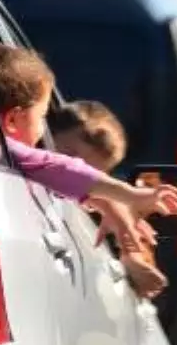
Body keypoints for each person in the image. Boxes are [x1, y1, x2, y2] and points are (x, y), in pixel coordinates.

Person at [0, 11, 177, 247]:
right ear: (12, 120)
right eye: (42, 117)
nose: (44, 129)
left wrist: (105, 202)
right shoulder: (7, 151)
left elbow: (65, 177)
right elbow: (63, 170)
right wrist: (130, 195)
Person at [50, 100, 168, 299]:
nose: (75, 173)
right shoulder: (27, 159)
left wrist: (132, 255)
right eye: (70, 158)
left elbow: (108, 200)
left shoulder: (90, 203)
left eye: (89, 174)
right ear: (46, 136)